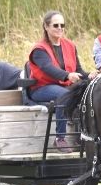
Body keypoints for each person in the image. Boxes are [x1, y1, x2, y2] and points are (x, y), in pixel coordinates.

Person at [28, 10, 96, 152]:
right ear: (46, 27)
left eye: (62, 25)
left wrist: (89, 75)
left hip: (65, 86)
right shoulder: (39, 50)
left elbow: (78, 70)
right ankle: (60, 138)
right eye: (55, 25)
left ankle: (82, 135)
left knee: (88, 90)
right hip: (41, 88)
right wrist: (67, 76)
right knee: (64, 95)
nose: (60, 28)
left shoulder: (70, 45)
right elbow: (48, 68)